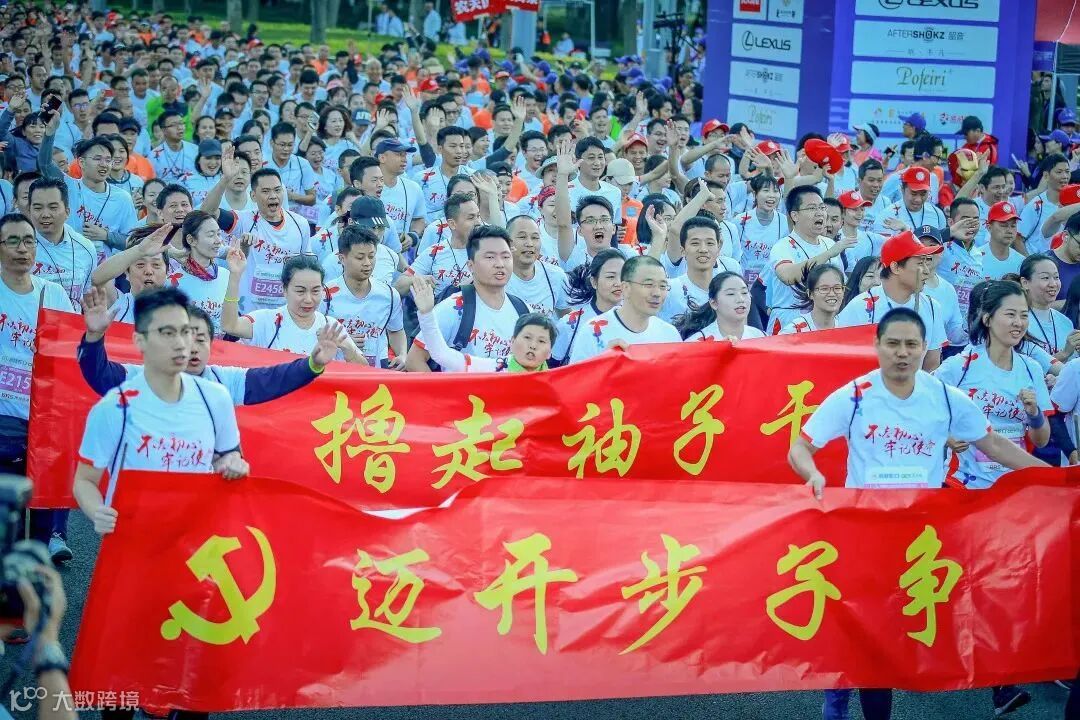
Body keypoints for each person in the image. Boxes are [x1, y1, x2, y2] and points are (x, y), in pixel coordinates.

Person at [788, 306, 1047, 720]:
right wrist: (813, 473)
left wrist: (1053, 478)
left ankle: (997, 685)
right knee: (864, 629)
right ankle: (838, 703)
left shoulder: (943, 396)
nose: (902, 353)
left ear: (925, 347)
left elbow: (995, 445)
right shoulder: (855, 395)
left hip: (924, 534)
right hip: (867, 532)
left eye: (911, 344)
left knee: (918, 623)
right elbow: (801, 447)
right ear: (877, 346)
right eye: (893, 343)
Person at [79, 287, 343, 406]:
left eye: (201, 339)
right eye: (185, 337)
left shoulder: (222, 384)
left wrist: (313, 364)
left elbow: (273, 379)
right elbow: (99, 375)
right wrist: (94, 336)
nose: (192, 348)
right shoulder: (140, 378)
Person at [0, 212, 77, 562]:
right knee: (9, 516)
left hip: (45, 422)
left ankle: (34, 582)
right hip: (5, 420)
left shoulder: (53, 294)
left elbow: (72, 353)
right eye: (12, 241)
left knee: (41, 514)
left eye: (28, 241)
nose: (22, 249)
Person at [936, 281, 1052, 490]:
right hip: (962, 486)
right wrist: (946, 436)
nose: (1018, 323)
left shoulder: (1031, 369)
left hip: (1013, 489)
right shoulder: (959, 366)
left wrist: (1034, 414)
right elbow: (923, 412)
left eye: (1024, 315)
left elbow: (1041, 441)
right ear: (987, 318)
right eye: (1010, 314)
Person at [406, 225, 531, 370]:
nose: (500, 264)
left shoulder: (523, 310)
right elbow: (414, 360)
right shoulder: (453, 308)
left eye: (505, 257)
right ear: (471, 266)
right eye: (490, 257)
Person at [221, 248, 365, 363]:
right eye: (300, 291)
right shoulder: (266, 321)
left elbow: (364, 371)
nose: (308, 299)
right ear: (284, 290)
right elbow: (230, 326)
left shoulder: (331, 326)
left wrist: (347, 349)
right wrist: (235, 275)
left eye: (315, 291)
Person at [836, 231, 947, 371]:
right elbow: (843, 362)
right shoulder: (859, 307)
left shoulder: (932, 307)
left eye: (927, 262)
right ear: (895, 267)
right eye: (920, 263)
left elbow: (932, 364)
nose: (926, 271)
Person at [412, 275, 555, 372]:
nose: (533, 345)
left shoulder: (554, 382)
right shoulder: (497, 367)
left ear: (549, 352)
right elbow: (442, 354)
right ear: (512, 342)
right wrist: (426, 314)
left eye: (541, 341)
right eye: (527, 338)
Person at [765, 185, 847, 334]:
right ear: (795, 216)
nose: (820, 213)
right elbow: (787, 276)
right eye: (812, 208)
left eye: (822, 207)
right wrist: (828, 254)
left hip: (824, 320)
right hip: (789, 319)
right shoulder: (783, 246)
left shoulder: (829, 244)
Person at [567, 255, 681, 363]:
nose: (657, 293)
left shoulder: (670, 334)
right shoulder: (592, 332)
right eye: (648, 285)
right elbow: (577, 376)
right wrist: (603, 364)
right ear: (626, 288)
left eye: (663, 286)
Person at [323, 224, 406, 369]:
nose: (367, 263)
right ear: (342, 259)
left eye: (371, 256)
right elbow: (313, 333)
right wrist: (343, 342)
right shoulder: (326, 294)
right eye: (360, 257)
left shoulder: (389, 294)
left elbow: (396, 330)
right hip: (336, 370)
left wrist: (403, 355)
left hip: (376, 371)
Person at [26, 177, 96, 309]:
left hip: (72, 321)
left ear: (67, 212)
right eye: (38, 208)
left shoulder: (86, 248)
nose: (45, 214)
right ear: (29, 211)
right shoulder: (18, 248)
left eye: (53, 207)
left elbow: (87, 294)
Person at [551, 249, 625, 366]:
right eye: (611, 277)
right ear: (594, 282)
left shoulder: (636, 321)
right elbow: (552, 368)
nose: (618, 283)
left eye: (623, 276)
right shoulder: (570, 324)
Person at [505, 214, 570, 319]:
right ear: (507, 242)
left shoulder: (556, 276)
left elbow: (567, 317)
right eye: (522, 237)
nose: (530, 244)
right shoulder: (497, 277)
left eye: (535, 238)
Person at [1020, 253, 1078, 363]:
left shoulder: (1065, 322)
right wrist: (1064, 354)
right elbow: (1023, 367)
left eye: (1056, 277)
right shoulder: (1018, 322)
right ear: (1025, 283)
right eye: (1045, 278)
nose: (1053, 284)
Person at [676, 271, 765, 342]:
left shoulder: (761, 337)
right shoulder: (696, 342)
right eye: (731, 294)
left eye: (744, 292)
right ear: (714, 303)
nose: (740, 299)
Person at [779, 264, 844, 334]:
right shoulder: (793, 331)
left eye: (837, 288)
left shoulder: (847, 325)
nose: (832, 294)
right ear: (810, 293)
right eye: (824, 289)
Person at [983, 201, 1025, 279]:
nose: (1009, 230)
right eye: (1004, 225)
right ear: (989, 228)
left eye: (1013, 226)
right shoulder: (975, 258)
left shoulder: (1021, 262)